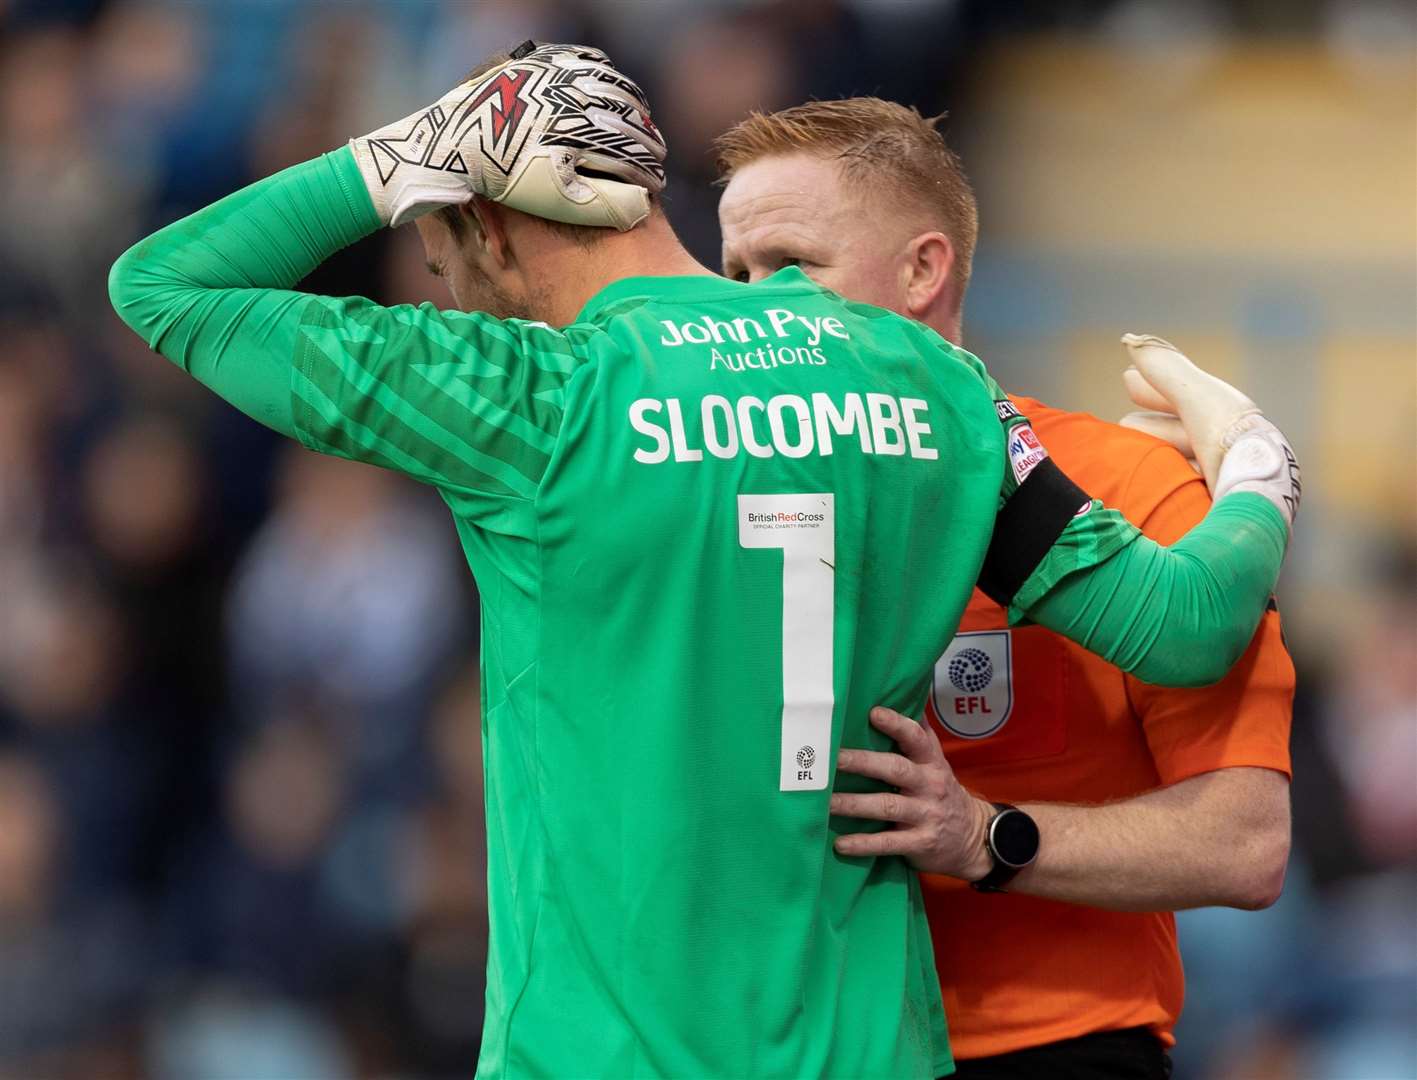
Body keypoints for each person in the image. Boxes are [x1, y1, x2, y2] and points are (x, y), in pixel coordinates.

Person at [109, 45, 1298, 1079]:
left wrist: (389, 160)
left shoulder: (529, 395)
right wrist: (1252, 471)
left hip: (603, 1053)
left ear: (481, 221)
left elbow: (160, 286)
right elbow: (1186, 623)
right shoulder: (931, 384)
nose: (447, 288)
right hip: (865, 1050)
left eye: (439, 253)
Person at [716, 97, 1297, 1079]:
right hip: (782, 1047)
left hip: (1049, 1048)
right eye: (733, 273)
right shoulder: (703, 494)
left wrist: (986, 837)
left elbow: (1243, 842)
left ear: (921, 270)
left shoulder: (1129, 486)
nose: (747, 307)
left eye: (790, 264)